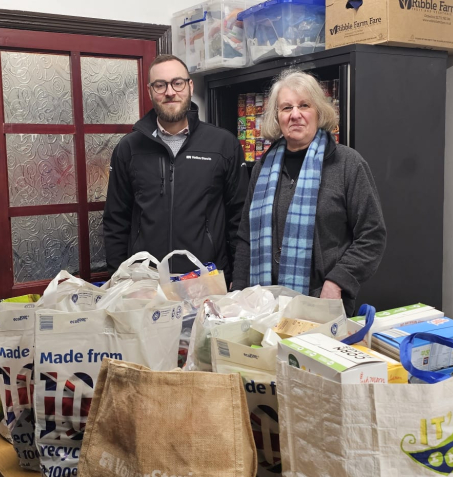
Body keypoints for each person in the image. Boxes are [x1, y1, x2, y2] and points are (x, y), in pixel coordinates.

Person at [232, 70, 386, 315]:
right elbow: (246, 237)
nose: (295, 115)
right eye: (286, 108)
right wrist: (238, 292)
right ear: (277, 116)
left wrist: (338, 281)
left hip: (322, 303)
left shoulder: (347, 164)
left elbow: (372, 235)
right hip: (263, 306)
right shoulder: (263, 167)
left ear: (319, 112)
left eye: (304, 105)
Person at [104, 54, 248, 283]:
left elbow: (239, 219)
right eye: (160, 85)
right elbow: (115, 221)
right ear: (150, 91)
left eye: (177, 83)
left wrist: (238, 280)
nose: (170, 92)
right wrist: (118, 279)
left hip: (206, 280)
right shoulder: (129, 148)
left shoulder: (223, 144)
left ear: (190, 86)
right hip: (146, 282)